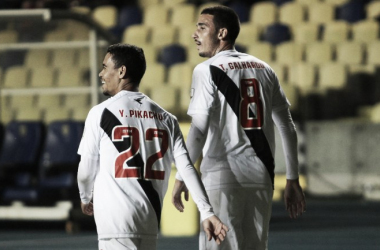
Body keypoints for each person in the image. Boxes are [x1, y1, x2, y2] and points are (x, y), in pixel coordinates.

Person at [172, 6, 306, 250]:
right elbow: (287, 126)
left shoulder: (206, 70)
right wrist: (292, 178)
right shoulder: (265, 68)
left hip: (222, 176)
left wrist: (182, 176)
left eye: (202, 27)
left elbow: (198, 131)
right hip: (261, 176)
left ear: (222, 33)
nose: (194, 34)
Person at [77, 43, 228, 250]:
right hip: (148, 218)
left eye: (105, 67)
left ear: (121, 71)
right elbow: (187, 168)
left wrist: (85, 197)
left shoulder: (101, 113)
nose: (101, 74)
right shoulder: (167, 118)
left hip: (115, 222)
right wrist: (207, 211)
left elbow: (86, 169)